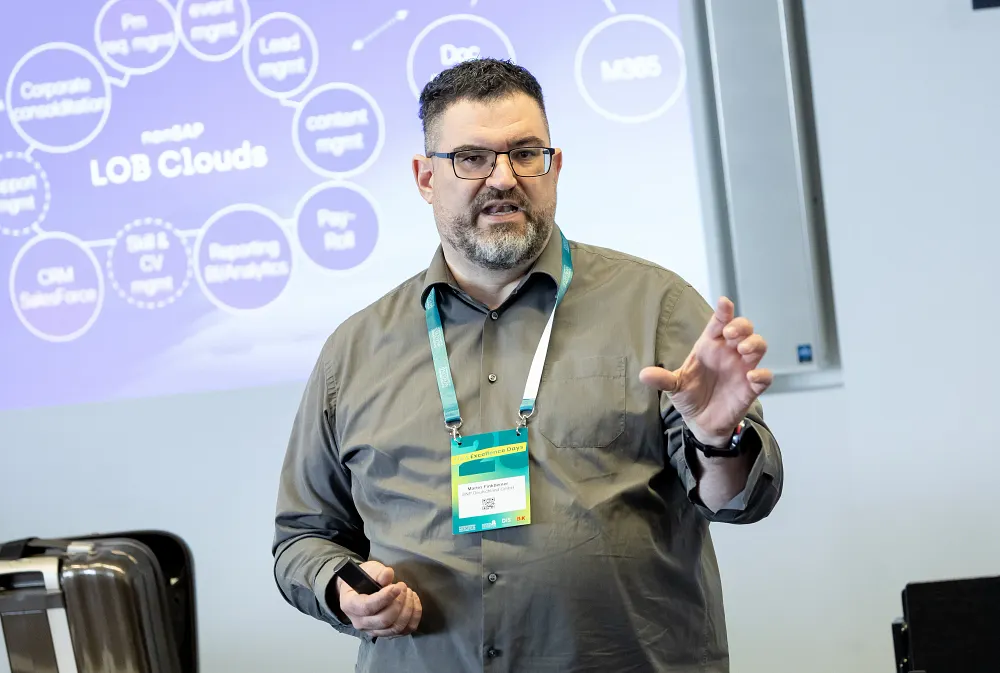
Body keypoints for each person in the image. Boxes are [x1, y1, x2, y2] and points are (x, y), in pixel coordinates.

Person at [272, 58, 783, 673]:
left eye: (525, 153)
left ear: (555, 165)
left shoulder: (657, 307)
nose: (503, 178)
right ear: (426, 178)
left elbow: (739, 501)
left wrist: (718, 441)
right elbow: (302, 537)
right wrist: (339, 587)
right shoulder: (354, 351)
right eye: (472, 158)